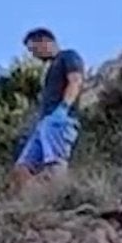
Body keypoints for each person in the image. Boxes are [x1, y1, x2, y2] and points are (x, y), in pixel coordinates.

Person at [12, 27, 85, 192]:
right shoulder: (50, 69)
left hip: (60, 120)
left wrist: (63, 108)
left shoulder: (68, 56)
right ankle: (36, 200)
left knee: (55, 163)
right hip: (45, 123)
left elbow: (75, 81)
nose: (33, 55)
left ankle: (61, 196)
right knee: (22, 169)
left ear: (45, 42)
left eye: (34, 49)